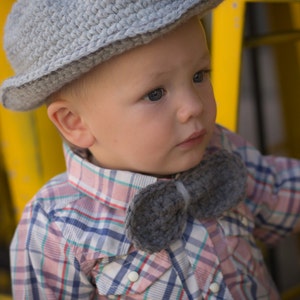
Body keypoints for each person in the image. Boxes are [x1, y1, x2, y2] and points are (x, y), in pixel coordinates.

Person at [1, 0, 300, 299]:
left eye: (200, 75)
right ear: (75, 122)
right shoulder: (56, 229)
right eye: (155, 94)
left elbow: (283, 196)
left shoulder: (222, 151)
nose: (194, 107)